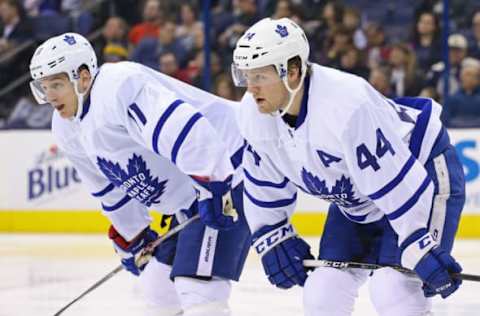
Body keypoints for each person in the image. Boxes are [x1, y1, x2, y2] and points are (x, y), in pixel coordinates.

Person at [232, 17, 465, 316]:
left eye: (260, 77)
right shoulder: (253, 115)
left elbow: (395, 182)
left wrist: (418, 243)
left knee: (394, 289)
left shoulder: (345, 104)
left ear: (292, 71)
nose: (250, 89)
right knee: (323, 292)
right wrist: (272, 235)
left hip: (420, 170)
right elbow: (262, 182)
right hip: (361, 197)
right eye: (245, 76)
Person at [29, 32, 251, 316]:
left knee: (198, 288)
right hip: (191, 200)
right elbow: (109, 189)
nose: (49, 96)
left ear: (83, 77)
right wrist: (133, 236)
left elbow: (184, 130)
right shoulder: (66, 128)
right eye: (44, 87)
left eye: (56, 85)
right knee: (158, 288)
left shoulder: (118, 85)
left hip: (233, 171)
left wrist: (214, 184)